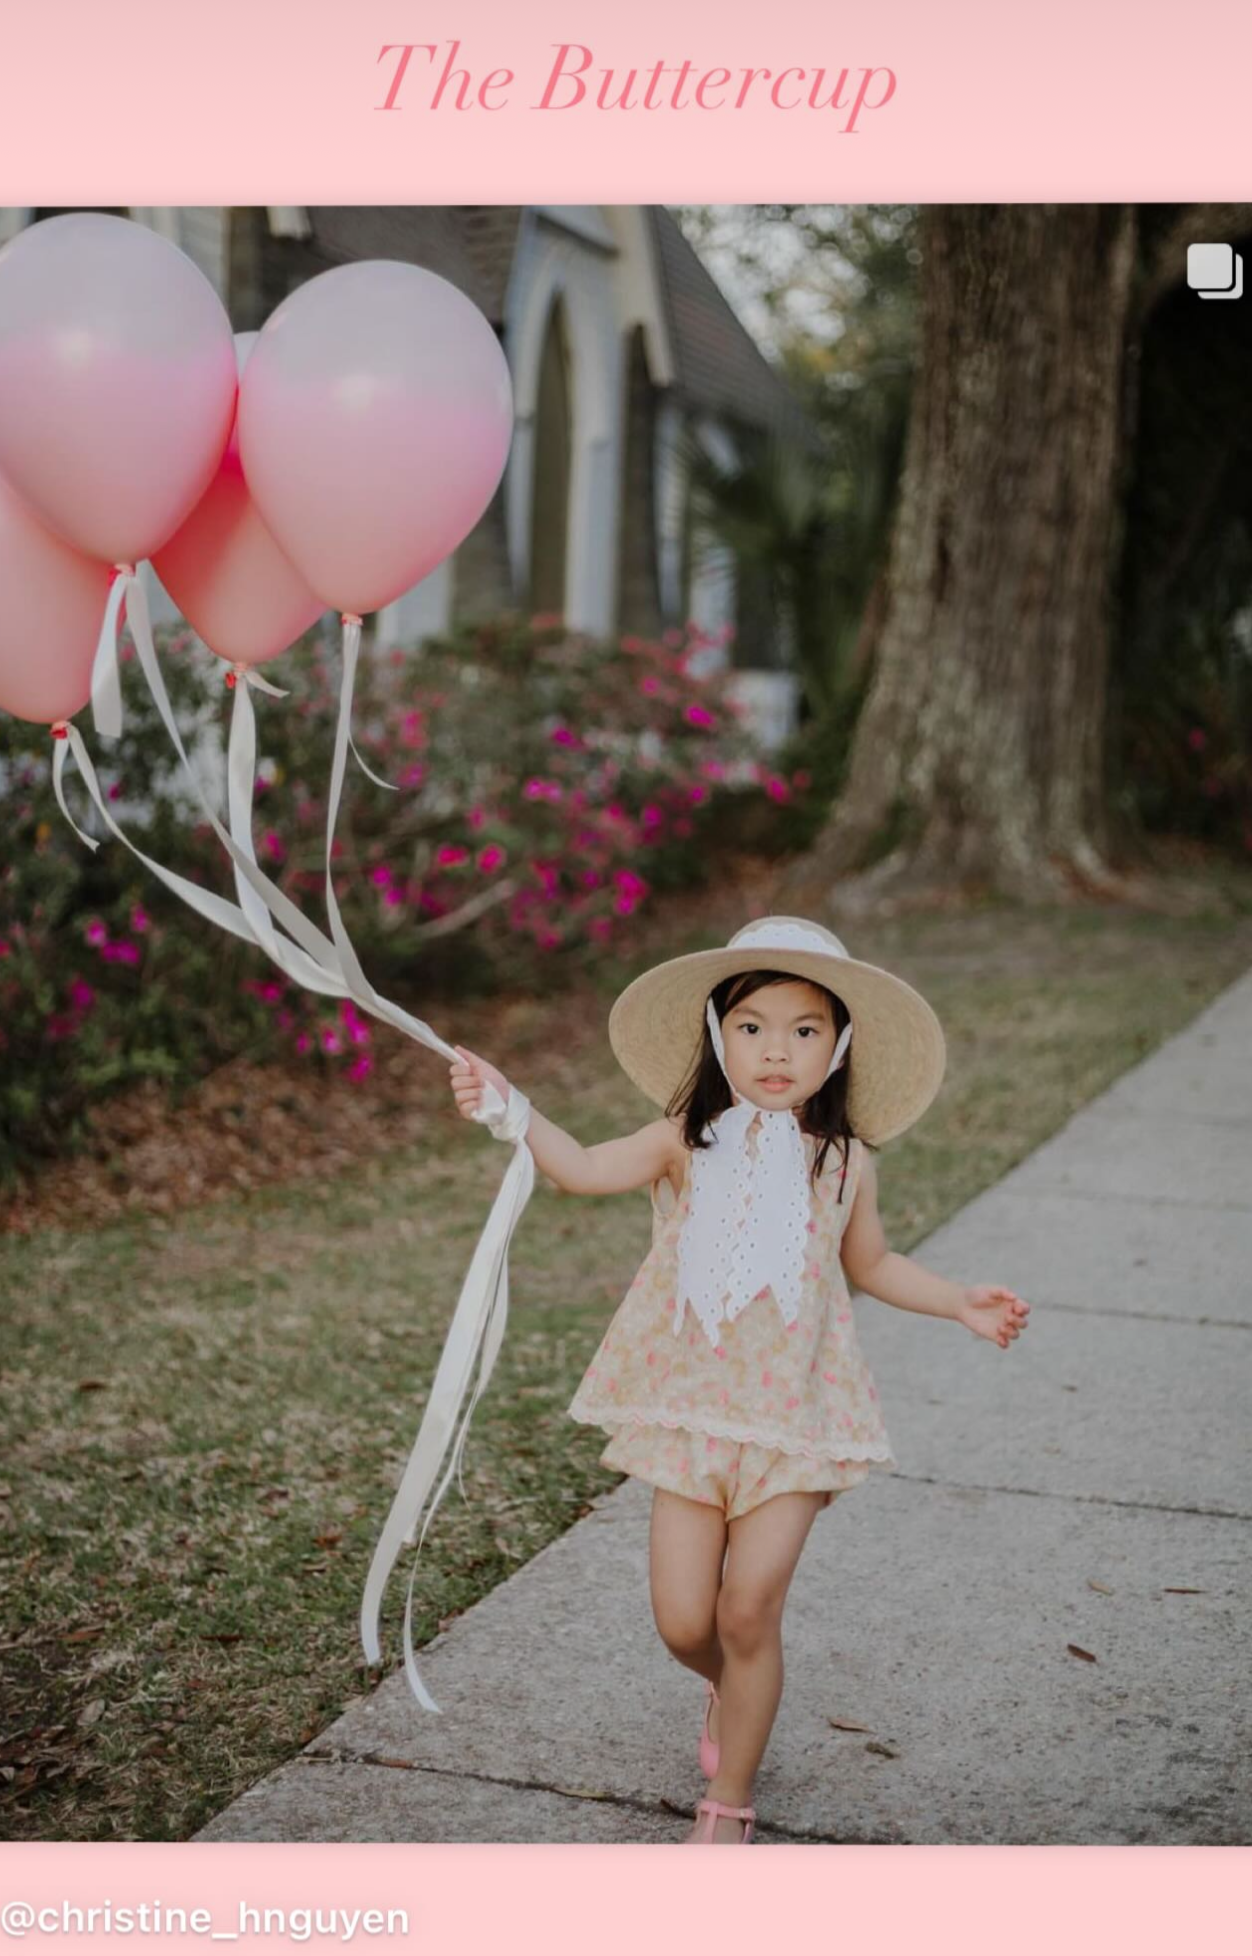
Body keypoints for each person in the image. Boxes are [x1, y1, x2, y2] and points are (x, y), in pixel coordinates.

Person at [448, 916, 1031, 1845]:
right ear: (720, 1036)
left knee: (749, 1606)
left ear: (837, 1048)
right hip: (691, 1417)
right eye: (753, 1025)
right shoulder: (685, 1138)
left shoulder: (845, 1160)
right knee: (688, 1623)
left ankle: (729, 1808)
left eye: (805, 1030)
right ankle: (731, 1682)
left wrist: (957, 1299)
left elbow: (871, 1264)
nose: (776, 1049)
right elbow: (585, 1170)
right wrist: (512, 1109)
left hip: (794, 1421)